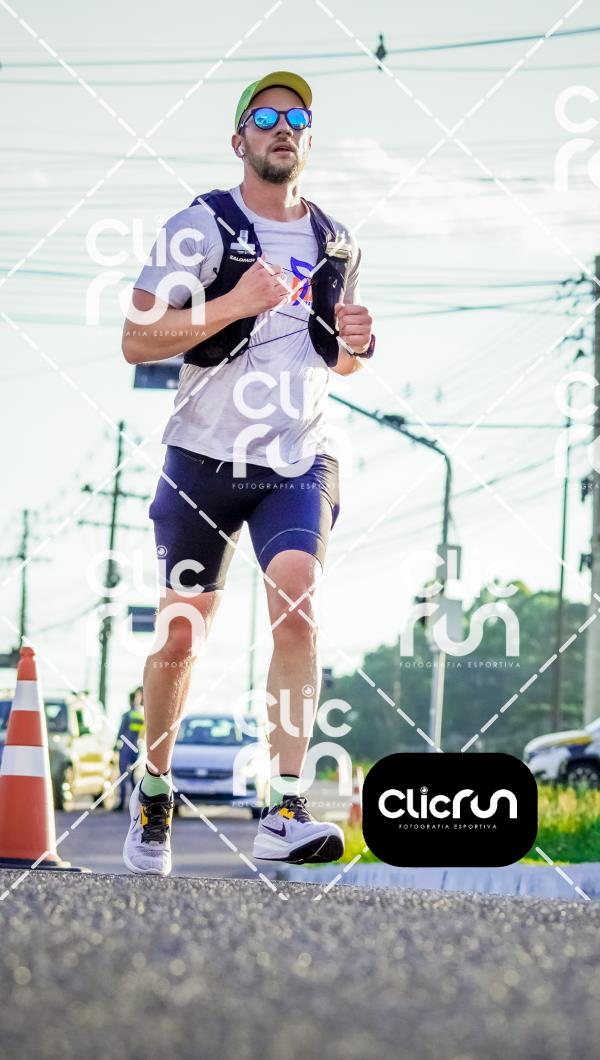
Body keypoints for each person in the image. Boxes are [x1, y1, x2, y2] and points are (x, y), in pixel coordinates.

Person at [121, 71, 374, 876]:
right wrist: (233, 303)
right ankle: (154, 791)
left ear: (309, 139)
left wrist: (359, 343)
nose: (282, 126)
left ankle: (285, 806)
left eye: (296, 116)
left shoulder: (337, 241)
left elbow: (339, 358)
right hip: (202, 458)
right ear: (240, 141)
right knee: (182, 634)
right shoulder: (199, 226)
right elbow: (136, 337)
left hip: (298, 457)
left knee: (297, 603)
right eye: (264, 116)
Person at [114, 687, 145, 812]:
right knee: (133, 777)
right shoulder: (141, 716)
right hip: (137, 748)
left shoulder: (127, 715)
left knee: (123, 775)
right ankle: (136, 803)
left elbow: (121, 733)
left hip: (126, 749)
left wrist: (115, 745)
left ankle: (122, 803)